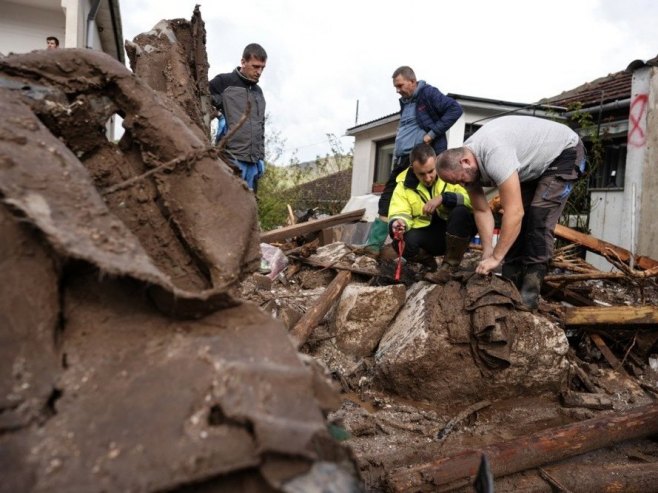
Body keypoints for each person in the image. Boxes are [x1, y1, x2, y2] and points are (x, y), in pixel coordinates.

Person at [436, 115, 586, 308]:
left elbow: (514, 213)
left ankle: (530, 291)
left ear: (465, 161)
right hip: (533, 164)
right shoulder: (466, 165)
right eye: (456, 183)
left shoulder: (495, 155)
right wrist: (488, 251)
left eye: (461, 180)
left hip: (564, 152)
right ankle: (511, 281)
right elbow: (482, 210)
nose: (462, 185)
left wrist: (497, 258)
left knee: (538, 217)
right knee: (517, 223)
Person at [365, 65, 463, 254]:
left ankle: (429, 248)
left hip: (423, 159)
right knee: (388, 198)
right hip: (403, 159)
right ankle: (373, 247)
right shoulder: (406, 101)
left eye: (400, 85)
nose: (397, 90)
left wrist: (432, 134)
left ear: (412, 81)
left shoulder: (428, 94)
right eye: (396, 86)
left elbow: (454, 109)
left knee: (423, 198)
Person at [388, 143, 475, 281]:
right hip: (430, 236)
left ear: (436, 162)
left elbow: (474, 201)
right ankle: (430, 265)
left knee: (461, 212)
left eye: (431, 171)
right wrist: (398, 222)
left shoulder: (452, 171)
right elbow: (399, 211)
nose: (428, 178)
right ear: (412, 169)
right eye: (421, 174)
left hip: (457, 230)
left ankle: (449, 267)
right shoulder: (402, 186)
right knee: (400, 241)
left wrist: (445, 198)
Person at [209, 43, 267, 192]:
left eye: (262, 68)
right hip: (231, 158)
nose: (259, 71)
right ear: (243, 62)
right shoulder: (224, 82)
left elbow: (261, 125)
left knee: (249, 208)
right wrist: (218, 112)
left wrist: (261, 157)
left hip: (253, 163)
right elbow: (201, 99)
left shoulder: (258, 92)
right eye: (255, 66)